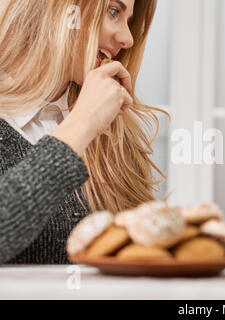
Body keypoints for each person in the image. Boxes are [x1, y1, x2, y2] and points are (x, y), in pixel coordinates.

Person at [0, 0, 168, 264]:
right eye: (114, 11)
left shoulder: (116, 135)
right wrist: (81, 126)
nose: (127, 38)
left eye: (129, 21)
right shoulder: (87, 122)